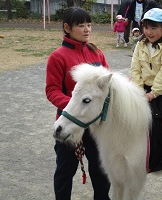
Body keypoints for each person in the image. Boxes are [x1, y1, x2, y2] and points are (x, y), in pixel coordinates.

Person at [45, 7, 110, 200]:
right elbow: (52, 90)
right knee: (65, 171)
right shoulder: (58, 57)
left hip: (95, 126)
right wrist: (75, 106)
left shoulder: (97, 53)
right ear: (67, 27)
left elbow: (106, 87)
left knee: (100, 171)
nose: (87, 29)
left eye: (89, 25)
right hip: (69, 123)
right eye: (81, 25)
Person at [130, 8, 162, 178]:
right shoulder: (140, 45)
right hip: (141, 88)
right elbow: (135, 68)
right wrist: (139, 92)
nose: (149, 32)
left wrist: (153, 94)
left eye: (154, 28)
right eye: (146, 27)